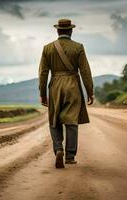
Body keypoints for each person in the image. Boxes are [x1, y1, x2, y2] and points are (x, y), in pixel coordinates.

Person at [38, 19, 94, 169]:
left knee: (54, 120)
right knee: (71, 121)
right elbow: (85, 72)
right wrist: (90, 92)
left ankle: (58, 149)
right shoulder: (78, 47)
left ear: (57, 31)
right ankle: (69, 156)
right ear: (71, 31)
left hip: (55, 86)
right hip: (73, 86)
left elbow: (43, 73)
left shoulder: (47, 48)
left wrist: (43, 93)